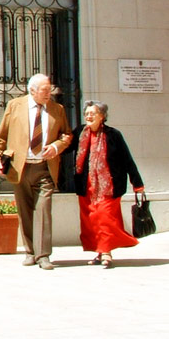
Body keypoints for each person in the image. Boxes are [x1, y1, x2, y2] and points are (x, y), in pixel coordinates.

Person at [0, 73, 73, 270]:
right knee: (25, 211)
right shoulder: (15, 106)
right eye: (45, 90)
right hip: (21, 167)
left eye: (50, 89)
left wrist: (56, 147)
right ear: (33, 90)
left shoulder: (57, 109)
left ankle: (43, 255)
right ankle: (30, 252)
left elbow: (66, 135)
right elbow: (1, 137)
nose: (49, 94)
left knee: (43, 209)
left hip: (44, 167)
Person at [65, 100, 144, 268]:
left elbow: (127, 159)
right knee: (92, 221)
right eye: (86, 113)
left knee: (105, 219)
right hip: (86, 187)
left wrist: (137, 183)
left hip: (108, 186)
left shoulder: (114, 135)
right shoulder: (80, 132)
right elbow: (67, 148)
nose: (88, 116)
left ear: (102, 116)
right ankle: (100, 252)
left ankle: (107, 252)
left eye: (92, 113)